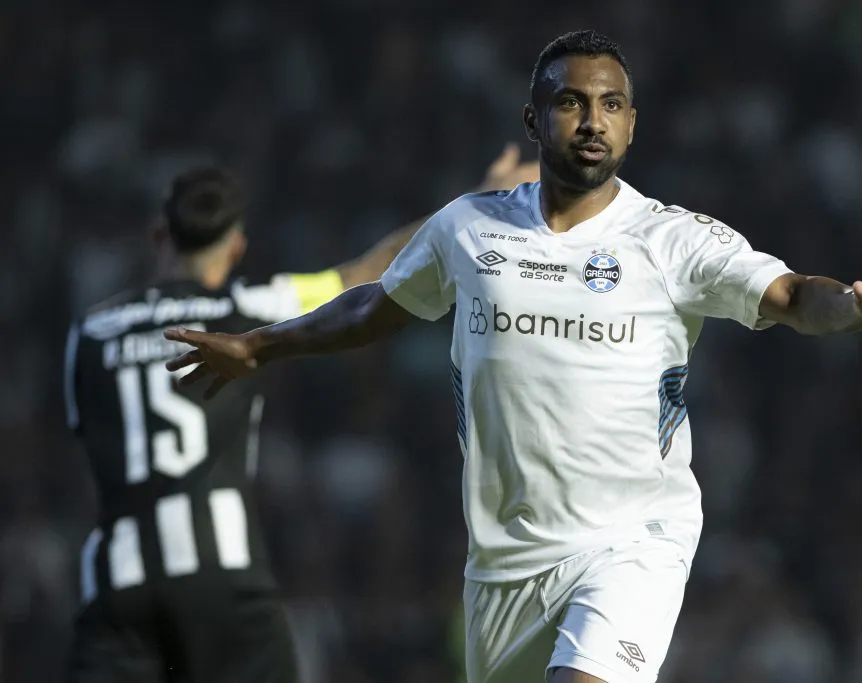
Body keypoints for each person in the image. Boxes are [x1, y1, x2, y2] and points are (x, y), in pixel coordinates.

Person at [164, 30, 862, 683]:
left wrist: (860, 306)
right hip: (504, 565)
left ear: (633, 124)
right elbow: (378, 306)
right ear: (534, 118)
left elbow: (793, 295)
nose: (592, 121)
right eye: (571, 102)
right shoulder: (468, 228)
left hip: (631, 540)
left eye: (609, 105)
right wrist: (260, 346)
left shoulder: (673, 239)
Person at [62, 147, 539, 683]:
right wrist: (477, 199)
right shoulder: (246, 308)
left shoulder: (91, 332)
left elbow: (87, 455)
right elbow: (367, 272)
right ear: (237, 247)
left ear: (158, 235)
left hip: (119, 580)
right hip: (224, 578)